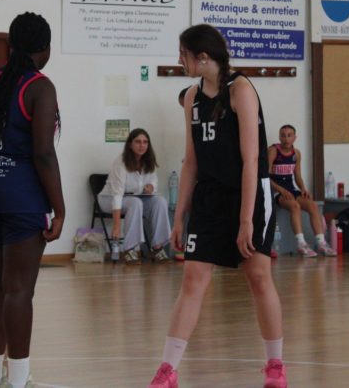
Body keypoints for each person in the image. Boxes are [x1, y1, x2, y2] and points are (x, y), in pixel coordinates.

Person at [149, 24, 286, 388]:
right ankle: (168, 370)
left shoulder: (240, 90)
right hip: (210, 197)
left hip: (248, 193)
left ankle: (275, 365)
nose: (179, 60)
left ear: (203, 57)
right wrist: (179, 216)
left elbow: (251, 159)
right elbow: (191, 161)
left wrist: (246, 220)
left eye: (184, 54)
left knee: (258, 275)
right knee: (193, 278)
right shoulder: (193, 98)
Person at [0, 13, 65, 388]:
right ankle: (19, 380)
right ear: (45, 49)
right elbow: (43, 153)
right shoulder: (40, 87)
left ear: (11, 45)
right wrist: (60, 208)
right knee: (19, 290)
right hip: (21, 193)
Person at [98, 128, 172, 264]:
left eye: (145, 142)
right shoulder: (120, 162)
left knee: (160, 201)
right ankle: (130, 250)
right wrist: (116, 226)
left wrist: (151, 187)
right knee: (135, 202)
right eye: (138, 142)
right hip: (109, 199)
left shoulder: (149, 161)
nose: (142, 145)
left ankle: (157, 247)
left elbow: (153, 182)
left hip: (136, 198)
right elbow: (117, 196)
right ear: (130, 144)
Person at [267, 125, 336, 258]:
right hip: (276, 190)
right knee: (295, 206)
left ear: (295, 138)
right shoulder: (273, 151)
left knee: (312, 205)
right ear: (279, 137)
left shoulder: (296, 153)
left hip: (290, 188)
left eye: (289, 135)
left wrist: (303, 188)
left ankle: (321, 243)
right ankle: (301, 244)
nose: (286, 139)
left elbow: (297, 176)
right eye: (283, 135)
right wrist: (281, 190)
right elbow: (265, 176)